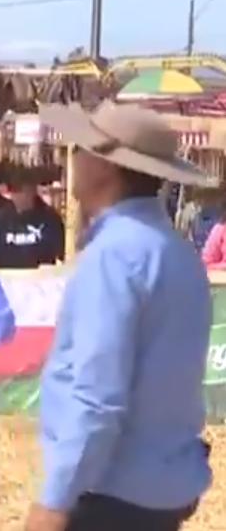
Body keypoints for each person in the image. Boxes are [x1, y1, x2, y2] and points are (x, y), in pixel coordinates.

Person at [25, 102, 212, 531]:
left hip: (110, 493)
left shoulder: (113, 256)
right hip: (163, 486)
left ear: (104, 167)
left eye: (82, 150)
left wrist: (54, 501)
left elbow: (97, 396)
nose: (74, 159)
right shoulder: (178, 253)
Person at [0, 167, 65, 268]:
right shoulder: (0, 219)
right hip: (8, 280)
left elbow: (60, 254)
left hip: (40, 280)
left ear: (32, 190)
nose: (17, 195)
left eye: (21, 189)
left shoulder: (50, 219)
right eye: (14, 190)